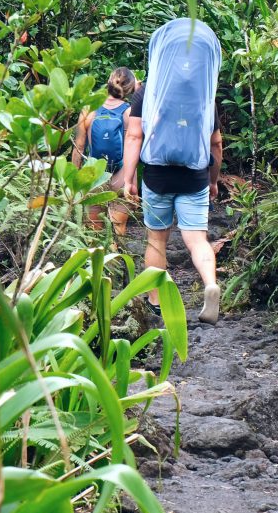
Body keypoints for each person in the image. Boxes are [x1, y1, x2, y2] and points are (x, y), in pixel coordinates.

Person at [121, 17, 223, 325]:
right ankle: (210, 283)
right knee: (197, 239)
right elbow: (215, 143)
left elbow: (134, 135)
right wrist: (213, 180)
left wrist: (128, 178)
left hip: (157, 175)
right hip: (194, 176)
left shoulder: (146, 93)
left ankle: (156, 303)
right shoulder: (203, 97)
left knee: (157, 240)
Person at [72, 66, 136, 235]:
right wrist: (132, 183)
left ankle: (97, 259)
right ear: (129, 89)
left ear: (109, 81)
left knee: (94, 231)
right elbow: (132, 147)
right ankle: (116, 257)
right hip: (121, 174)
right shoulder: (129, 112)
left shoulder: (88, 109)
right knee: (118, 228)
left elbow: (79, 147)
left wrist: (73, 182)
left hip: (94, 173)